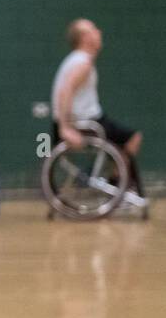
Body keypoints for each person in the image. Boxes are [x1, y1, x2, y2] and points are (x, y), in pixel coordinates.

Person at [51, 19, 144, 197]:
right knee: (132, 139)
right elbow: (65, 91)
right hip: (86, 123)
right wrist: (65, 128)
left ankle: (115, 184)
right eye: (94, 29)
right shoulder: (82, 63)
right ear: (85, 38)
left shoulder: (76, 60)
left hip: (88, 119)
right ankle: (118, 190)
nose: (99, 32)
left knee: (123, 142)